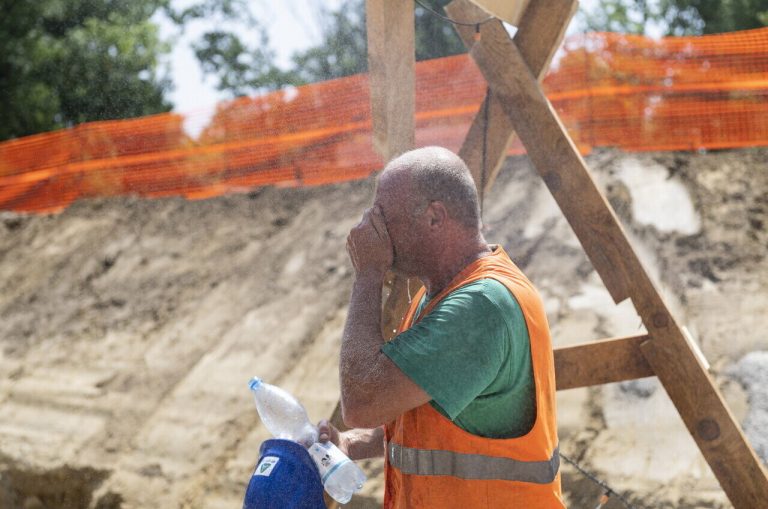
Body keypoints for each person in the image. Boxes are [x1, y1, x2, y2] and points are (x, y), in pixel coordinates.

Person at [318, 146, 564, 508]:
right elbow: (426, 418)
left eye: (384, 219)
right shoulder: (435, 298)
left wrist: (368, 274)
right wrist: (352, 444)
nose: (373, 231)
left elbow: (362, 403)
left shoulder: (480, 306)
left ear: (435, 217)